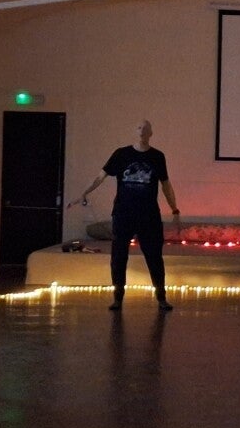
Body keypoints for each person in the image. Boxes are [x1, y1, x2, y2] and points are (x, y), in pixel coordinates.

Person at [77, 119, 181, 311]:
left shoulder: (157, 157)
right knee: (118, 256)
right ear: (135, 131)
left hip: (149, 215)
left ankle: (161, 297)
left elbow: (166, 184)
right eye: (139, 128)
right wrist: (85, 192)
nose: (142, 131)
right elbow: (100, 176)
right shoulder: (121, 154)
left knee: (154, 257)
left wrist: (175, 209)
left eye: (146, 128)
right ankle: (118, 298)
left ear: (151, 133)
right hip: (123, 213)